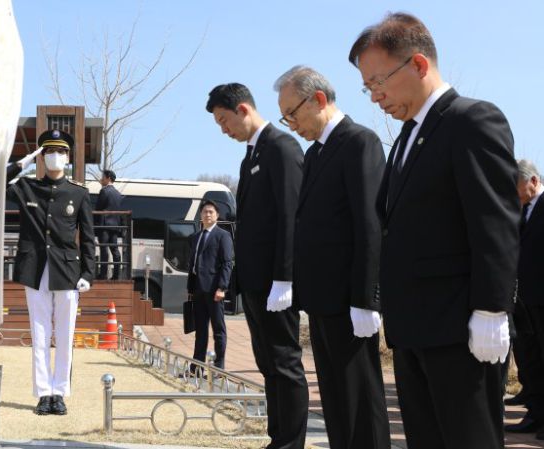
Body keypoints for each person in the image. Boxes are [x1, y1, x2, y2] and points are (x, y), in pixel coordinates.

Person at [348, 12, 518, 449]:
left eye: (378, 81)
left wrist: (492, 309)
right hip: (415, 327)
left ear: (419, 65)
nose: (375, 96)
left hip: (458, 328)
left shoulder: (470, 120)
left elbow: (494, 221)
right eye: (367, 86)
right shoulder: (407, 136)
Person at [275, 65, 390, 449]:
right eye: (285, 116)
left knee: (360, 398)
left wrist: (366, 298)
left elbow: (369, 224)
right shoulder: (316, 154)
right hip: (323, 299)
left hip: (348, 300)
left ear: (318, 100)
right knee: (337, 400)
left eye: (293, 112)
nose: (290, 123)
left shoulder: (360, 142)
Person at [206, 83, 307, 449]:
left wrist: (285, 277)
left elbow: (290, 216)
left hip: (275, 282)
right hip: (254, 281)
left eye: (224, 120)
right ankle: (278, 437)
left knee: (284, 361)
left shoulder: (281, 147)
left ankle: (291, 442)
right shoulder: (250, 156)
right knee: (267, 362)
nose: (224, 129)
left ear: (243, 109)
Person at [6, 129, 95, 416]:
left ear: (68, 157)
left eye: (60, 152)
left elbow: (89, 237)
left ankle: (60, 392)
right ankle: (43, 392)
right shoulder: (28, 187)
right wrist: (24, 162)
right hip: (35, 269)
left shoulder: (78, 193)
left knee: (65, 334)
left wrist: (88, 273)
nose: (55, 156)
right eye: (48, 152)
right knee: (40, 333)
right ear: (42, 157)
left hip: (67, 271)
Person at [506, 159, 544, 438]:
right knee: (533, 358)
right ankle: (537, 413)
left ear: (532, 181)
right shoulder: (524, 209)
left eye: (517, 185)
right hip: (528, 297)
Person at [186, 199, 233, 370]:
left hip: (215, 290)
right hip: (198, 289)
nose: (207, 214)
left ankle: (219, 367)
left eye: (211, 212)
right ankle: (196, 367)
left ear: (217, 215)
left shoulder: (223, 236)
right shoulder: (197, 237)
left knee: (218, 330)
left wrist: (222, 288)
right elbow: (193, 264)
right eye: (205, 211)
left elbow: (227, 263)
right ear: (201, 215)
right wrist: (190, 288)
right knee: (200, 331)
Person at [94, 169, 123, 280]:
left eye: (103, 177)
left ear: (108, 178)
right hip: (115, 225)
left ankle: (103, 274)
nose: (102, 179)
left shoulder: (104, 191)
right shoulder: (117, 193)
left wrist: (95, 224)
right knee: (114, 249)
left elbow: (98, 208)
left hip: (104, 225)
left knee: (104, 249)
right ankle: (116, 275)